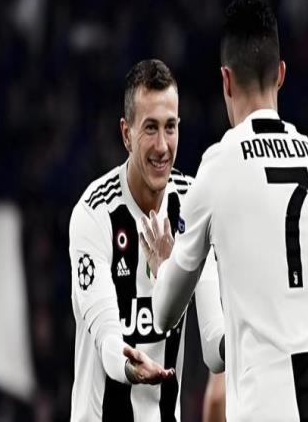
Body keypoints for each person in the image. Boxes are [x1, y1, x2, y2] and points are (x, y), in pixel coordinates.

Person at [142, 0, 308, 421]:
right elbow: (224, 348)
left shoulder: (219, 167)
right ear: (281, 74)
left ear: (226, 80)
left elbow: (164, 315)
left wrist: (164, 266)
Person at [68, 59, 224, 421]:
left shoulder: (194, 205)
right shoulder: (94, 214)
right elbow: (107, 338)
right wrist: (130, 367)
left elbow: (214, 344)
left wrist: (262, 334)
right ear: (126, 134)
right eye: (150, 128)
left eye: (170, 127)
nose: (162, 146)